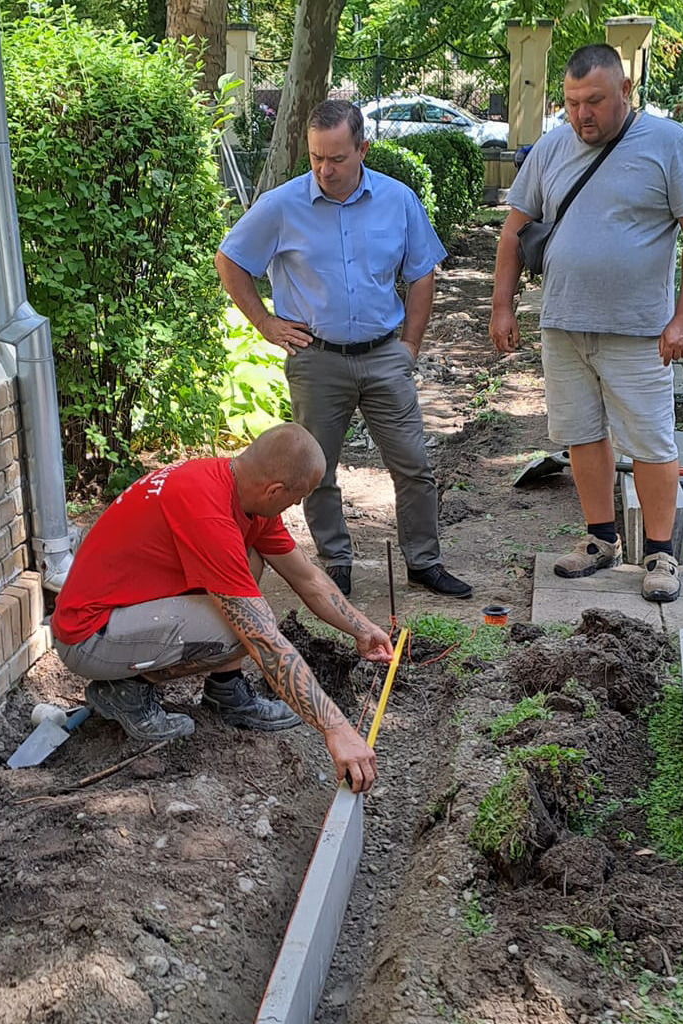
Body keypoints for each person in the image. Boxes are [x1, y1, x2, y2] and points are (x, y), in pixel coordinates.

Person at [215, 99, 473, 602]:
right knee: (316, 470)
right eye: (316, 158)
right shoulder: (282, 205)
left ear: (363, 150)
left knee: (414, 464)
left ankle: (424, 561)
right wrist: (265, 323)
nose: (325, 170)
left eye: (336, 158)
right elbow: (230, 259)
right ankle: (336, 561)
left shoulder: (398, 200)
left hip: (384, 355)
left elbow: (422, 273)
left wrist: (410, 345)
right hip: (316, 359)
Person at [490, 44, 683, 602]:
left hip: (639, 331)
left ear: (625, 90)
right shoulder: (551, 148)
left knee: (650, 442)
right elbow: (514, 232)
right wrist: (501, 306)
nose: (581, 114)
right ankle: (600, 540)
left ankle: (661, 554)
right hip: (564, 325)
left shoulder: (669, 144)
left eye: (593, 101)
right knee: (581, 435)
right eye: (571, 103)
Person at [51, 423, 393, 792]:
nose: (295, 506)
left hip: (127, 611)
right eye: (297, 498)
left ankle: (226, 690)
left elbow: (307, 577)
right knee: (241, 629)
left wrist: (361, 628)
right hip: (89, 636)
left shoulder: (241, 492)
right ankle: (126, 690)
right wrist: (337, 729)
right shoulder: (207, 511)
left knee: (251, 560)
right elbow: (264, 640)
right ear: (275, 490)